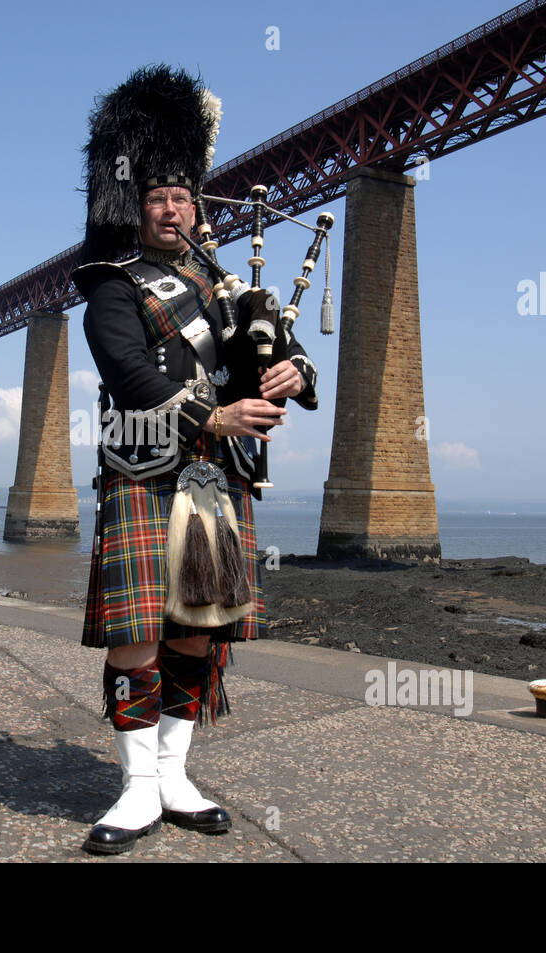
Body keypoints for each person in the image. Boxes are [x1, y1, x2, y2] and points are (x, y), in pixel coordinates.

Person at [72, 65, 320, 855]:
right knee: (139, 632)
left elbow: (285, 353)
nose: (173, 208)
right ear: (134, 209)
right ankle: (136, 787)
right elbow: (130, 376)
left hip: (217, 480)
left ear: (196, 204)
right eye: (157, 198)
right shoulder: (112, 286)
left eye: (183, 196)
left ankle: (175, 774)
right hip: (144, 473)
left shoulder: (224, 286)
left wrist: (294, 372)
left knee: (197, 629)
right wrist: (212, 413)